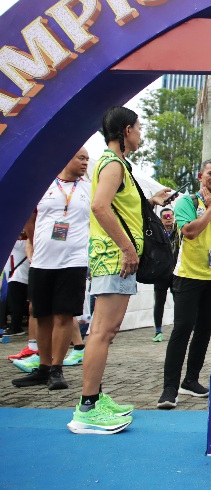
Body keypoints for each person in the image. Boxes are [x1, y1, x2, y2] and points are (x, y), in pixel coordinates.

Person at [69, 107, 171, 434]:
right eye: (139, 129)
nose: (141, 134)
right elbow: (99, 206)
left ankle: (95, 399)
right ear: (127, 131)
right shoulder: (112, 163)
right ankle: (87, 407)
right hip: (115, 257)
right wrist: (128, 247)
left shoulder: (116, 164)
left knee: (105, 331)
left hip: (116, 257)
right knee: (102, 331)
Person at [158, 159, 211, 410]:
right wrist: (209, 209)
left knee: (203, 330)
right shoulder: (187, 202)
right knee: (182, 329)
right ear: (200, 175)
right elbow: (189, 232)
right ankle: (170, 388)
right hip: (189, 276)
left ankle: (191, 380)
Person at [13, 148, 90, 391]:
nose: (85, 162)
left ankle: (57, 369)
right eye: (81, 158)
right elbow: (29, 218)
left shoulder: (89, 187)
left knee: (64, 315)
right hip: (43, 261)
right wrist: (34, 245)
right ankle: (43, 368)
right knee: (41, 315)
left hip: (73, 262)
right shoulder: (43, 185)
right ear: (66, 157)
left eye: (88, 159)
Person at [152, 207, 180, 342]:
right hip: (161, 273)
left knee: (179, 301)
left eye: (170, 217)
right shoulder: (157, 232)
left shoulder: (178, 231)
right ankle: (158, 330)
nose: (168, 220)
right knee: (159, 301)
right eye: (165, 218)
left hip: (176, 272)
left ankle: (179, 327)